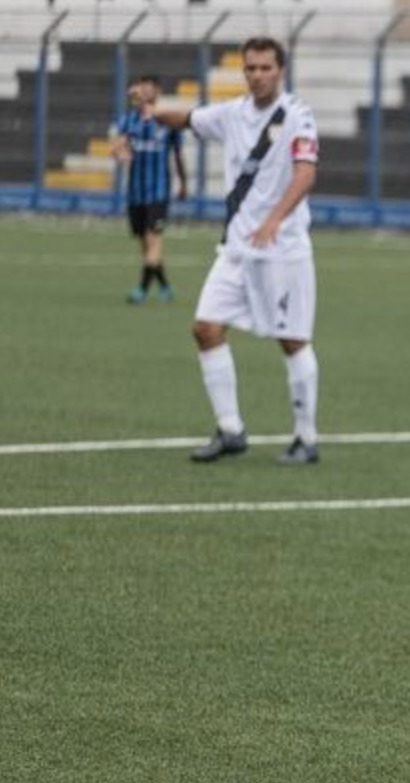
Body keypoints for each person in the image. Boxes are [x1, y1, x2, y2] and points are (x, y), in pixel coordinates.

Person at [153, 37, 321, 465]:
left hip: (282, 250)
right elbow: (186, 117)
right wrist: (150, 109)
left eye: (265, 67)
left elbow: (305, 175)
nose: (258, 75)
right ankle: (231, 430)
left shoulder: (297, 116)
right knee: (205, 328)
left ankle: (306, 437)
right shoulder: (231, 113)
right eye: (251, 68)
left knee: (292, 340)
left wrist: (274, 219)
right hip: (236, 250)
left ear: (280, 71)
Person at [112, 75, 186, 304]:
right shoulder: (129, 120)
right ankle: (165, 286)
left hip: (159, 192)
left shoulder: (167, 122)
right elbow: (117, 144)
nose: (143, 93)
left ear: (157, 92)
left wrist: (183, 182)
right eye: (141, 89)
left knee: (153, 240)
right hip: (135, 193)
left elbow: (177, 155)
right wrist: (120, 152)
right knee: (145, 244)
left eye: (148, 89)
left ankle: (141, 290)